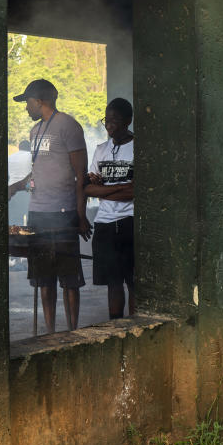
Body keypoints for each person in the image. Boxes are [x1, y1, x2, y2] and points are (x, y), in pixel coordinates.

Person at [9, 78, 91, 332]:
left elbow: (82, 173)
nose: (26, 109)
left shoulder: (68, 126)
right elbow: (38, 173)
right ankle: (50, 332)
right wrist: (15, 186)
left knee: (69, 279)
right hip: (38, 214)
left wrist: (80, 214)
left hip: (63, 213)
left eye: (27, 103)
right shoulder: (34, 132)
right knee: (44, 280)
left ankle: (72, 330)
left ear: (39, 101)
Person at [85, 98, 135, 319]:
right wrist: (122, 188)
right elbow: (88, 189)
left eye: (115, 119)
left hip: (130, 221)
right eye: (107, 119)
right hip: (104, 223)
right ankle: (116, 327)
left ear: (128, 121)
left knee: (134, 282)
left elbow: (137, 192)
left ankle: (136, 328)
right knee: (113, 284)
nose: (109, 124)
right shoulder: (101, 150)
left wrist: (104, 189)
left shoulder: (139, 148)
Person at [7, 140, 31, 226]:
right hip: (26, 193)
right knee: (29, 219)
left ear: (19, 148)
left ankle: (15, 238)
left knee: (14, 221)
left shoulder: (9, 157)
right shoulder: (31, 157)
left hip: (12, 192)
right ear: (30, 148)